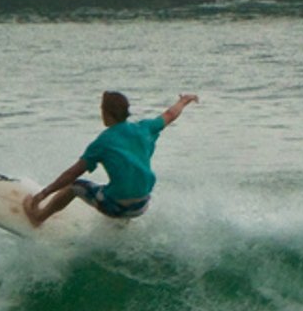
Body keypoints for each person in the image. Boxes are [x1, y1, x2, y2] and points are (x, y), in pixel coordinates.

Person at [23, 90, 198, 228]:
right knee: (127, 184)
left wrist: (42, 194)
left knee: (75, 186)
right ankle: (120, 228)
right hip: (143, 204)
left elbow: (71, 173)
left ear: (106, 114)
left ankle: (38, 217)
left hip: (117, 207)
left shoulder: (103, 142)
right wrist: (184, 100)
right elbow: (170, 114)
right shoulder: (145, 128)